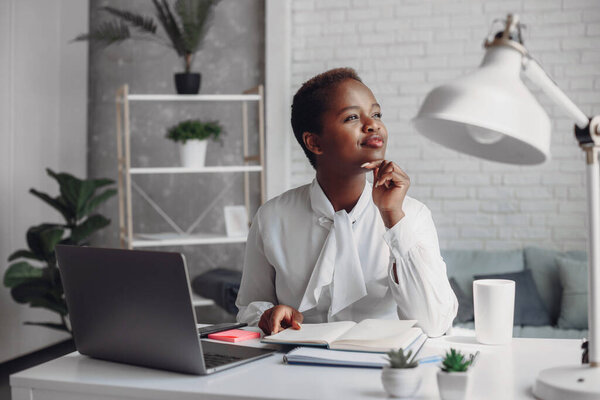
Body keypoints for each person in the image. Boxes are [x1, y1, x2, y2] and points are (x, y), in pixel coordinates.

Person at [235, 67, 457, 337]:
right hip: (295, 366)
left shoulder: (412, 215)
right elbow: (248, 307)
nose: (372, 124)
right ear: (314, 142)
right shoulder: (272, 217)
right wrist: (268, 315)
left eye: (376, 114)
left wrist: (393, 218)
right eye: (352, 117)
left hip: (384, 370)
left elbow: (435, 324)